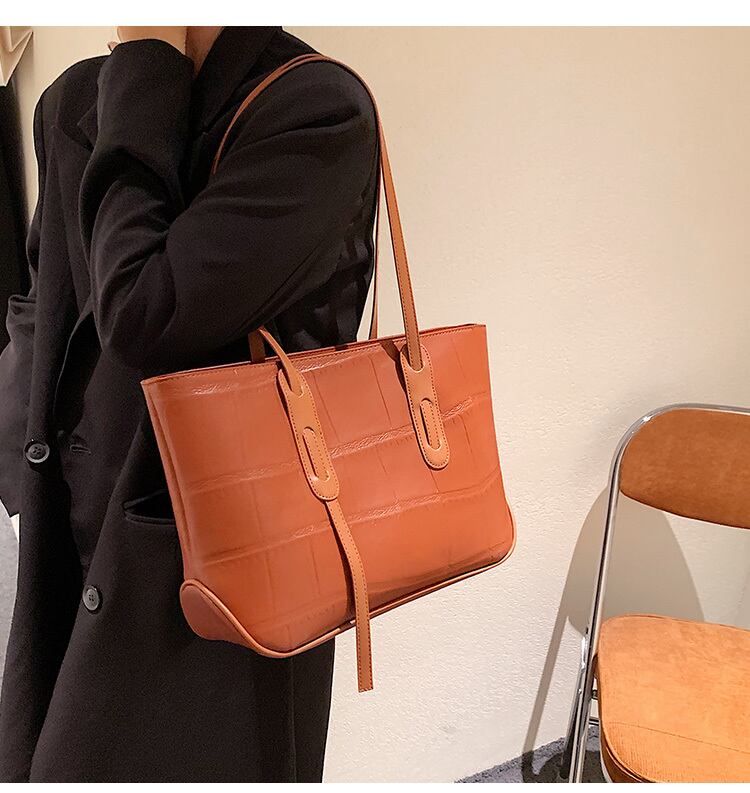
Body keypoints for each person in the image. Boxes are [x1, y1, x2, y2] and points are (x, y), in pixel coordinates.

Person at [0, 25, 379, 782]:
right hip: (70, 534)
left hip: (220, 575)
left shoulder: (314, 110)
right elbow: (46, 296)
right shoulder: (74, 99)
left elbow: (145, 310)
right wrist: (19, 460)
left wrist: (148, 62)